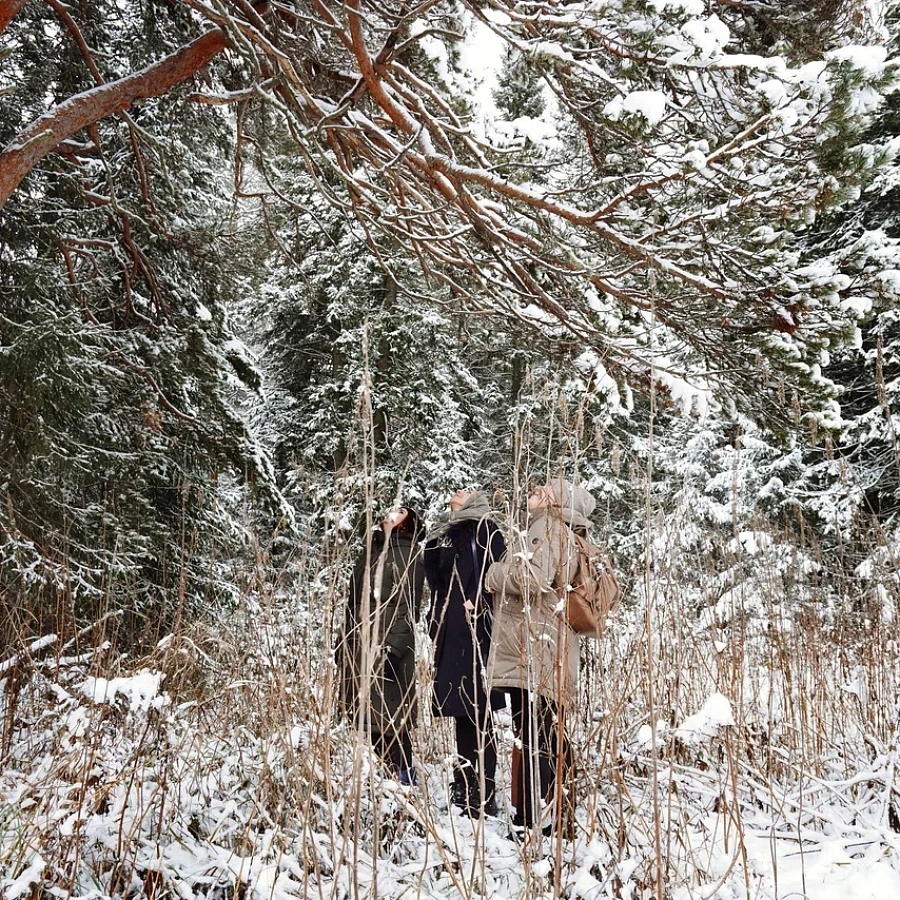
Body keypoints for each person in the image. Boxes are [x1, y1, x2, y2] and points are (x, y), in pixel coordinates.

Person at [486, 477, 596, 835]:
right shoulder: (567, 532)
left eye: (541, 490)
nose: (532, 492)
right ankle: (555, 815)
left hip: (534, 650)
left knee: (535, 734)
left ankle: (535, 819)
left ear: (555, 501)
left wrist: (494, 572)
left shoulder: (546, 527)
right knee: (547, 732)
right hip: (551, 649)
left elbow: (533, 578)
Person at [424, 489, 506, 816]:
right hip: (451, 631)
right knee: (461, 713)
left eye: (466, 490)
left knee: (478, 713)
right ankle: (464, 788)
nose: (456, 491)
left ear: (475, 500)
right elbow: (436, 580)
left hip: (476, 632)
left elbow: (500, 572)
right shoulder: (450, 534)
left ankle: (483, 794)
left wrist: (480, 599)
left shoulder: (487, 529)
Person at [338, 505, 426, 785]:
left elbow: (408, 608)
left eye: (400, 511)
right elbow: (354, 603)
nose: (390, 511)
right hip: (359, 646)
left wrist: (393, 649)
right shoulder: (371, 553)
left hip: (385, 647)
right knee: (364, 719)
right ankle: (374, 787)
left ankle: (404, 786)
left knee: (391, 721)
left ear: (408, 524)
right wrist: (342, 639)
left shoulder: (409, 554)